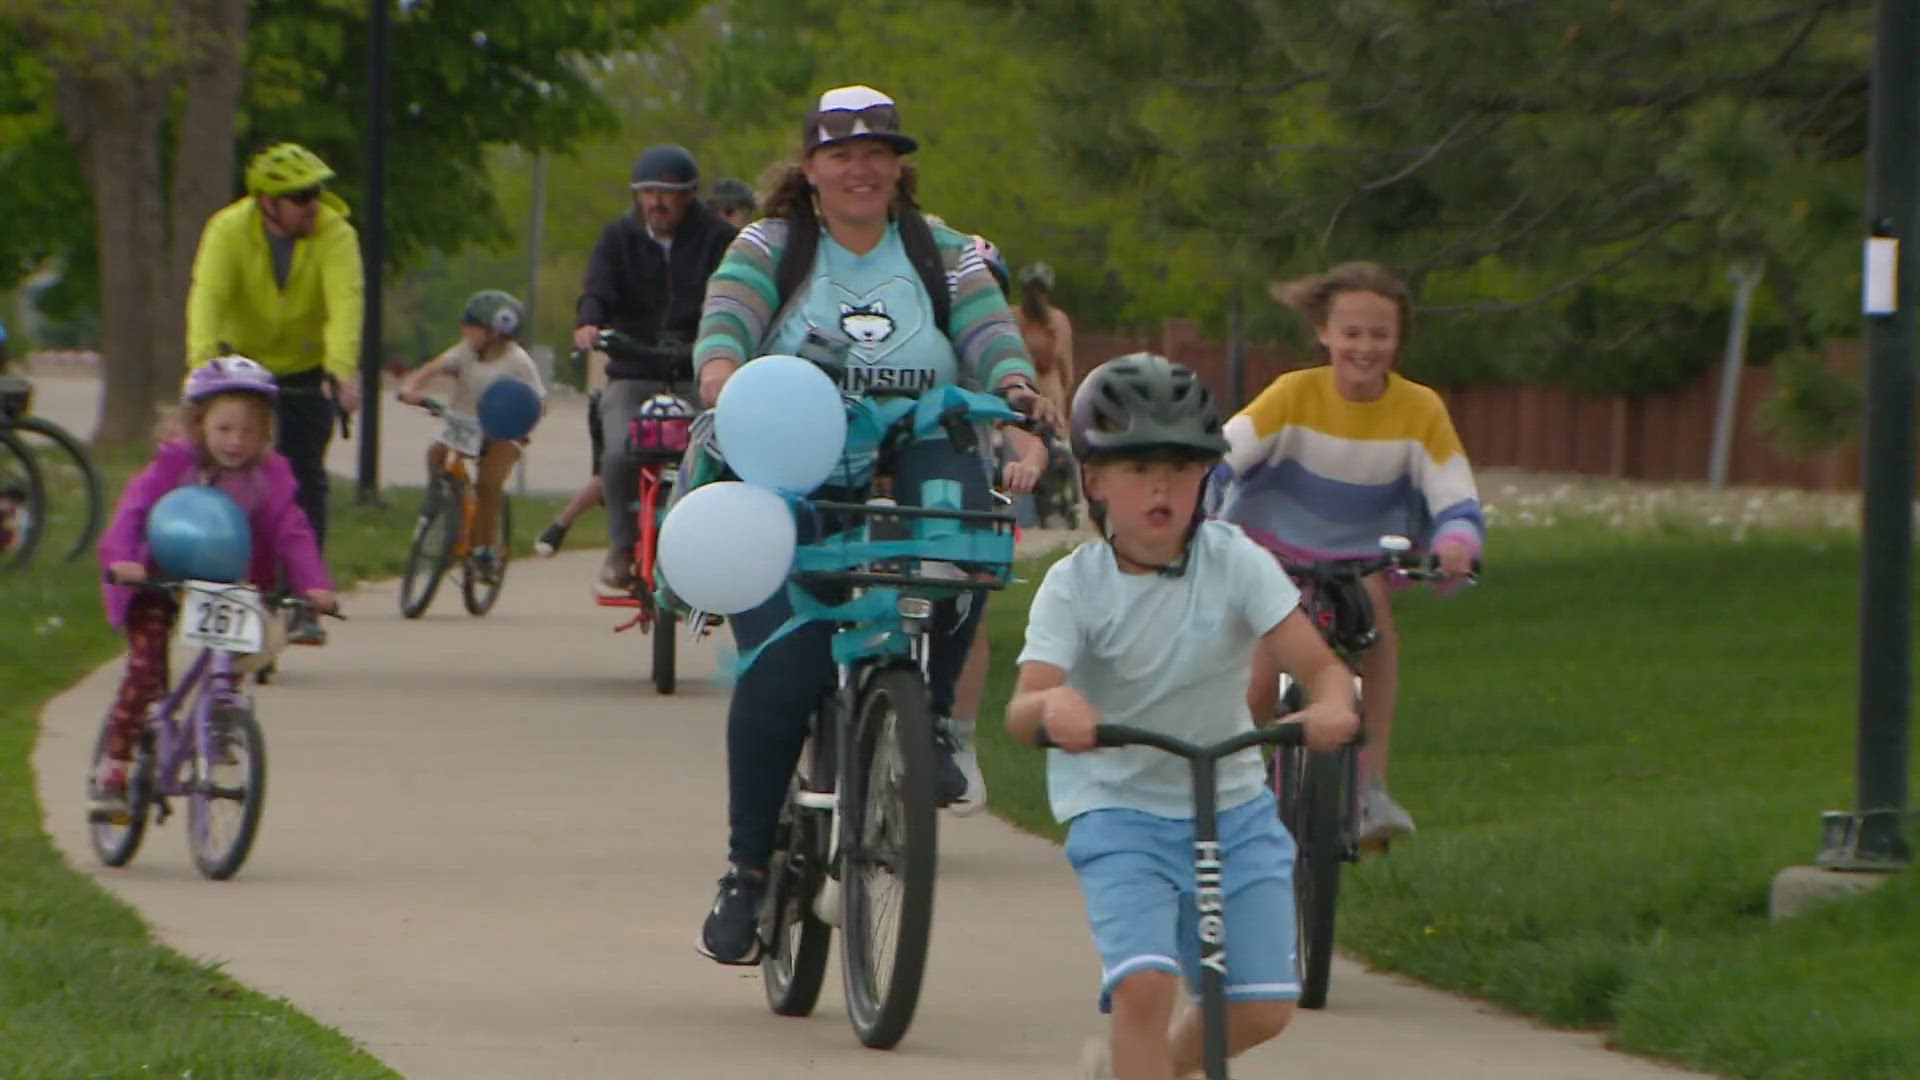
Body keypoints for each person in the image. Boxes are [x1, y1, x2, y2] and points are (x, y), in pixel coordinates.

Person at [689, 83, 1056, 964]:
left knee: (963, 526)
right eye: (841, 153)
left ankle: (925, 716)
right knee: (786, 664)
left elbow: (988, 332)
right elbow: (726, 325)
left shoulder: (948, 252)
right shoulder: (769, 246)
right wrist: (722, 378)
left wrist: (1013, 396)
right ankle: (746, 870)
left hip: (912, 444)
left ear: (899, 168)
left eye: (878, 153)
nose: (861, 168)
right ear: (809, 169)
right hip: (787, 465)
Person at [1005, 353, 1359, 1080]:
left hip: (1233, 803)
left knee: (1261, 1007)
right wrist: (1054, 706)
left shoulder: (1237, 561)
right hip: (1118, 807)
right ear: (1094, 480)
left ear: (1207, 476)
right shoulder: (1074, 587)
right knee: (1146, 983)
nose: (1161, 486)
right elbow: (1024, 707)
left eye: (1181, 467)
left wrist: (1331, 704)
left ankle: (1150, 1070)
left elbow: (1320, 664)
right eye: (1137, 469)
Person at [1208, 260, 1482, 845]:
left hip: (1365, 558)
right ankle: (1232, 784)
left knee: (1377, 620)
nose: (1365, 347)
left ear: (1398, 338)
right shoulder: (1292, 394)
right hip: (1273, 551)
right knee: (1260, 674)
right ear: (1324, 333)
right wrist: (1200, 508)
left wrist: (1457, 541)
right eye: (1351, 333)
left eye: (1379, 334)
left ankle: (1369, 788)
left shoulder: (1420, 410)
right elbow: (1225, 456)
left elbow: (1454, 494)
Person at [93, 357, 334, 818]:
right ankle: (115, 768)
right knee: (145, 668)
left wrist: (314, 584)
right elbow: (134, 511)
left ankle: (222, 720)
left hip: (227, 578)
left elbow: (292, 530)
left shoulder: (269, 477)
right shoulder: (174, 465)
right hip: (157, 575)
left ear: (265, 433)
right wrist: (125, 559)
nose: (236, 442)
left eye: (249, 431)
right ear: (197, 423)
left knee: (234, 654)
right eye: (224, 429)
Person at [184, 141, 364, 645]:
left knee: (304, 474)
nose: (315, 205)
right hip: (247, 364)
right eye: (302, 196)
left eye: (317, 193)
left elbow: (344, 302)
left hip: (307, 367)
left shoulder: (335, 233)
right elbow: (208, 294)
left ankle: (304, 598)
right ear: (268, 202)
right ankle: (224, 582)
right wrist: (201, 366)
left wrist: (340, 370)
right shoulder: (228, 229)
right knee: (231, 465)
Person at [572, 144, 739, 598]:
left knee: (720, 450)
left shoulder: (718, 240)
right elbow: (597, 288)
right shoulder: (617, 239)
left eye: (668, 194)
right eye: (648, 193)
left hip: (696, 369)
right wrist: (590, 323)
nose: (657, 203)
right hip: (634, 367)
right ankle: (622, 549)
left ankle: (713, 547)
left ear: (689, 196)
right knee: (618, 451)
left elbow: (738, 293)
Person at [943, 234, 1049, 815]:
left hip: (964, 500)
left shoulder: (989, 362)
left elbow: (1025, 431)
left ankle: (958, 738)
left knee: (972, 605)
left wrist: (1026, 464)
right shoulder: (911, 349)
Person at [396, 290, 546, 580]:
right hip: (463, 424)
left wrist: (520, 426)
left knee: (489, 483)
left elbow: (537, 403)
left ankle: (485, 550)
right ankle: (442, 505)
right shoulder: (465, 351)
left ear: (496, 332)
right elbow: (435, 367)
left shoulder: (518, 363)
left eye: (473, 326)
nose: (465, 330)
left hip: (501, 432)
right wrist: (412, 387)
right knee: (436, 454)